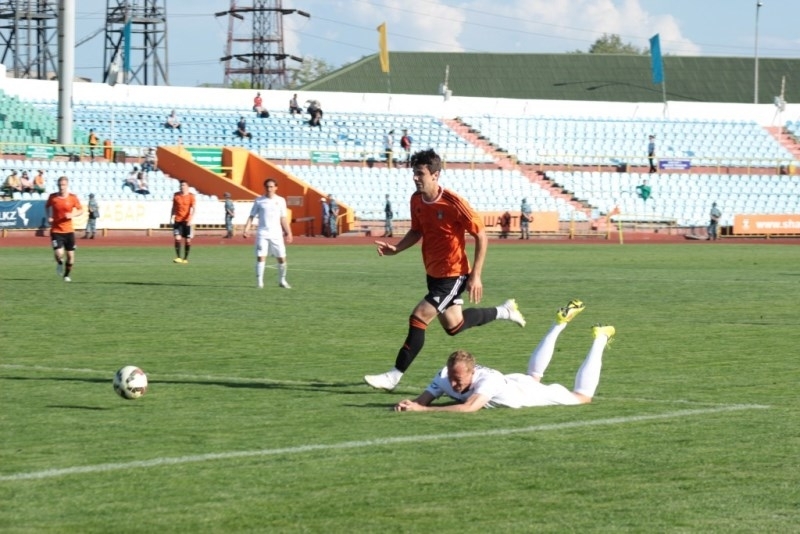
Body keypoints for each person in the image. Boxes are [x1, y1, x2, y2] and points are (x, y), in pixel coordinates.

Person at [364, 149, 526, 391]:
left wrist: (476, 275)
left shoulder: (454, 203)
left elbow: (481, 235)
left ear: (435, 175)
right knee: (454, 326)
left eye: (420, 173)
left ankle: (394, 376)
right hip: (433, 273)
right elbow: (417, 230)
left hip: (454, 274)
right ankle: (505, 311)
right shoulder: (416, 200)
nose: (416, 178)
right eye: (414, 173)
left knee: (419, 317)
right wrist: (397, 249)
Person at [393, 300, 615, 413]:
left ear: (473, 372)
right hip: (513, 382)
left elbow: (469, 408)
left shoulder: (487, 381)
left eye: (458, 380)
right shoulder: (444, 375)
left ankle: (601, 336)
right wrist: (409, 405)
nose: (452, 384)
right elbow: (421, 401)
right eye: (451, 377)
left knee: (582, 397)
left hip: (527, 394)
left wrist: (423, 410)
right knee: (534, 375)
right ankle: (559, 323)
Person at [242, 178, 293, 289]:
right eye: (267, 187)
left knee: (281, 257)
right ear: (264, 187)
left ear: (276, 188)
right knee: (261, 257)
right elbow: (251, 216)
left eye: (271, 187)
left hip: (277, 234)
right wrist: (246, 229)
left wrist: (288, 232)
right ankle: (259, 282)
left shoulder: (281, 200)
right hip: (262, 233)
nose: (269, 189)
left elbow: (283, 218)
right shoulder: (259, 200)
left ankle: (282, 280)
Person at [45, 176, 84, 282]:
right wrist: (49, 216)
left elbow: (81, 210)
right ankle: (59, 262)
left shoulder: (72, 197)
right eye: (60, 185)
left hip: (69, 231)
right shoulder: (53, 197)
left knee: (70, 256)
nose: (61, 187)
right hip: (56, 230)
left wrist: (72, 214)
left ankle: (66, 275)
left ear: (67, 185)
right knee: (59, 253)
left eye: (63, 185)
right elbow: (47, 206)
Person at [171, 180, 196, 263]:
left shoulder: (191, 196)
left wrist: (191, 219)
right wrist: (171, 217)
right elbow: (173, 207)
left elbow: (194, 209)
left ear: (187, 187)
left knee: (188, 240)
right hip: (178, 220)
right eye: (181, 185)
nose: (182, 187)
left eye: (184, 185)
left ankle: (185, 258)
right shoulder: (176, 195)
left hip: (187, 221)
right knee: (177, 237)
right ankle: (178, 257)